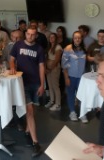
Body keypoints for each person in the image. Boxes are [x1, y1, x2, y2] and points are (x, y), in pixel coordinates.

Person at [9, 26, 44, 157]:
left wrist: (42, 84)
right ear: (25, 34)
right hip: (21, 82)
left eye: (32, 34)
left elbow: (41, 67)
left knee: (31, 110)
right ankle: (36, 143)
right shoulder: (18, 45)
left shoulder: (39, 49)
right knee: (29, 112)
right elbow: (11, 58)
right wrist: (12, 67)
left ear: (36, 36)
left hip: (35, 83)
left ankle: (28, 132)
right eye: (28, 34)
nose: (30, 36)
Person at [61, 31, 86, 122]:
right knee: (71, 94)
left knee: (82, 96)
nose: (77, 39)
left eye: (79, 37)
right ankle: (72, 112)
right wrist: (66, 77)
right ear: (73, 38)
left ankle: (82, 113)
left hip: (82, 77)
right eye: (75, 38)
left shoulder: (84, 48)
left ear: (81, 38)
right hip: (71, 76)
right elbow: (64, 65)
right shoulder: (68, 48)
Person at [44, 33, 62, 111]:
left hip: (54, 68)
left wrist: (50, 68)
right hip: (48, 68)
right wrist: (45, 68)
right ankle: (52, 101)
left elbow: (57, 60)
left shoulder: (58, 47)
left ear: (56, 38)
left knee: (55, 86)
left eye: (53, 37)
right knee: (50, 85)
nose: (51, 38)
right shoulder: (49, 47)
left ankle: (58, 104)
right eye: (50, 37)